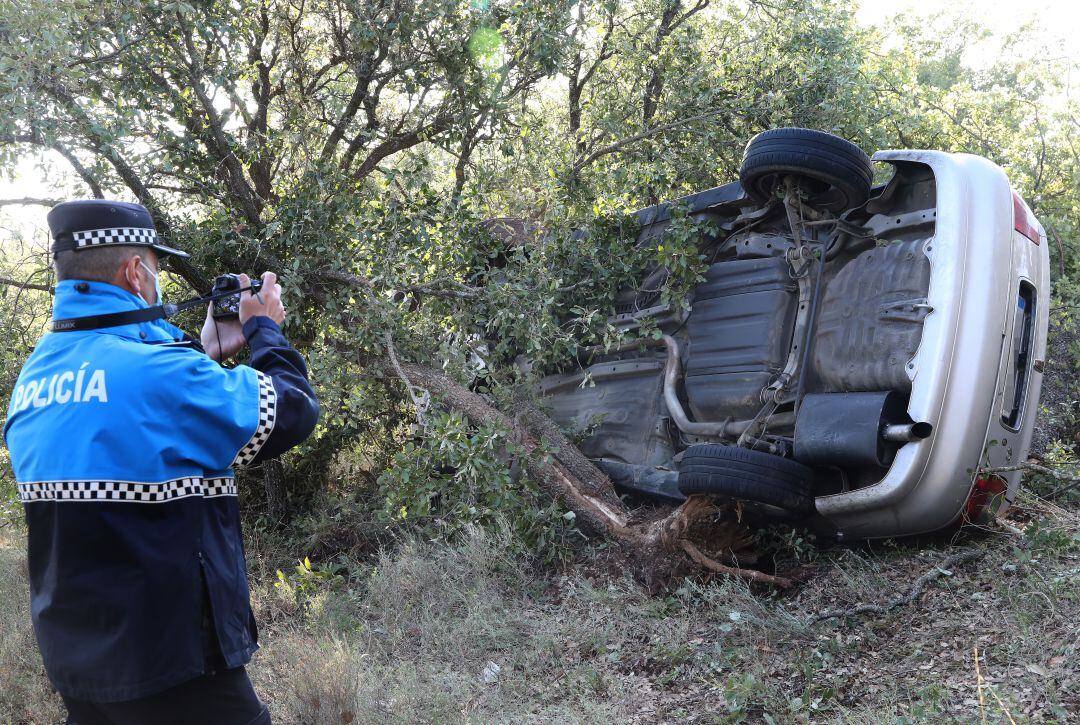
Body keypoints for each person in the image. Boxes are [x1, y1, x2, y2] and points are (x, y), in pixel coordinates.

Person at [3, 200, 320, 724]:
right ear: (134, 271)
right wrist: (265, 329)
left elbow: (135, 412)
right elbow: (293, 411)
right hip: (174, 662)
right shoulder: (162, 376)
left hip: (78, 662)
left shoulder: (35, 376)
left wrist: (203, 355)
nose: (159, 283)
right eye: (156, 266)